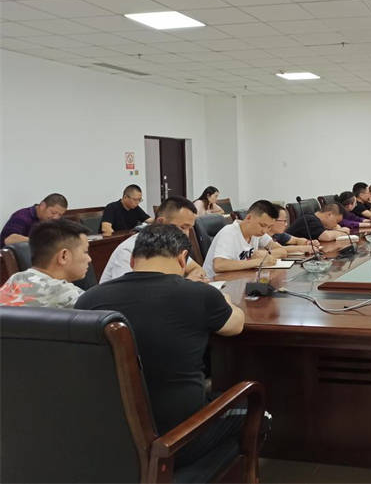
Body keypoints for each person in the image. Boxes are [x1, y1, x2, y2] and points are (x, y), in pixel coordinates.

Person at [75, 224, 249, 468]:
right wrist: (225, 301)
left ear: (133, 260)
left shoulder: (88, 299)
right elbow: (236, 325)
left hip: (110, 439)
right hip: (178, 440)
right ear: (183, 258)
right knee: (249, 403)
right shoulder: (200, 294)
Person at [100, 196, 207, 283]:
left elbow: (197, 269)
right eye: (183, 227)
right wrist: (185, 283)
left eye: (189, 229)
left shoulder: (174, 246)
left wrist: (192, 278)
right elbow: (127, 292)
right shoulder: (130, 249)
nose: (186, 234)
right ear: (160, 222)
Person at [0, 219, 90, 308]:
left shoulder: (15, 279)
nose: (89, 259)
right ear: (63, 256)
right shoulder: (68, 295)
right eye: (85, 252)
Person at [202, 200, 277, 279]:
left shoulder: (256, 233)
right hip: (216, 283)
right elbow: (219, 265)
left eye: (269, 227)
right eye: (262, 225)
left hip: (238, 279)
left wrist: (266, 255)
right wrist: (259, 261)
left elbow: (280, 250)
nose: (264, 231)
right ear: (249, 218)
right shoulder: (229, 232)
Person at [1, 193, 68, 245]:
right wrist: (39, 240)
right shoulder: (21, 216)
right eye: (53, 213)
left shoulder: (56, 220)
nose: (56, 217)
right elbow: (9, 240)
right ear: (42, 206)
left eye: (60, 214)